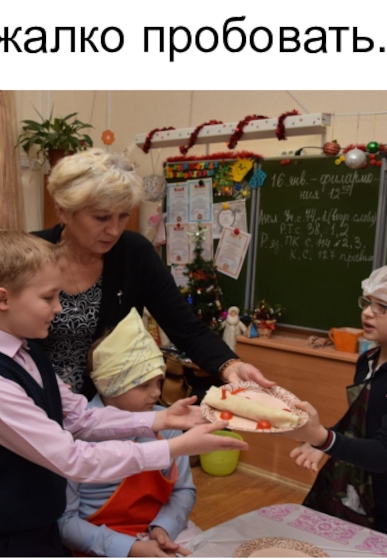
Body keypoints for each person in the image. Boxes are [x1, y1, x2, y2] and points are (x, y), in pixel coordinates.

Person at [0, 229, 246, 557]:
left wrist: (161, 420)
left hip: (38, 528)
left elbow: (81, 418)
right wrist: (173, 447)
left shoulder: (29, 353)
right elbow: (73, 458)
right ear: (2, 299)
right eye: (48, 297)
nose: (59, 308)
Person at [33, 148, 273, 398]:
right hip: (31, 400)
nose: (114, 230)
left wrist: (230, 366)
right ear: (63, 211)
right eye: (101, 218)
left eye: (123, 216)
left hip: (109, 404)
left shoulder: (134, 253)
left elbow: (186, 328)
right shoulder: (28, 255)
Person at [286, 263, 387, 546]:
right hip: (356, 492)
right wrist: (324, 440)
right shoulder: (368, 360)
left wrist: (324, 439)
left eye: (383, 306)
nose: (368, 312)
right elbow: (361, 418)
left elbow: (385, 453)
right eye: (368, 302)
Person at [59, 308, 201, 557]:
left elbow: (183, 491)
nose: (157, 393)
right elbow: (65, 523)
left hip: (157, 534)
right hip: (97, 543)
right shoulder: (74, 435)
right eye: (144, 385)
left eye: (159, 381)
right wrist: (130, 548)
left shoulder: (168, 428)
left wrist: (163, 529)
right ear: (110, 386)